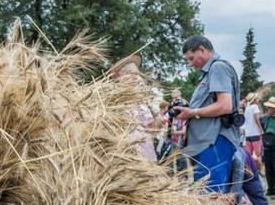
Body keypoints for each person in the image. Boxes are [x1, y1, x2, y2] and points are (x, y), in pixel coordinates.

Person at [173, 36, 242, 193]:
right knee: (205, 196)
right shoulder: (208, 72)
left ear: (202, 50)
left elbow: (225, 106)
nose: (190, 64)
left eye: (191, 58)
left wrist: (193, 112)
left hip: (214, 142)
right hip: (206, 143)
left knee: (212, 198)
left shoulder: (217, 67)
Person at [108, 54, 163, 161]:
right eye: (129, 73)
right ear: (119, 78)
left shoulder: (143, 102)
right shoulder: (113, 102)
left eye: (136, 74)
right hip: (125, 156)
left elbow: (152, 128)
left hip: (146, 154)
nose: (135, 77)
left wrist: (159, 120)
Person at [242, 94, 264, 169]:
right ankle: (258, 170)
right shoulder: (255, 107)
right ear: (254, 100)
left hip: (248, 134)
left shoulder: (247, 108)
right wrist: (261, 129)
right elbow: (256, 118)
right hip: (255, 133)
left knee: (249, 154)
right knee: (258, 154)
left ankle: (250, 169)